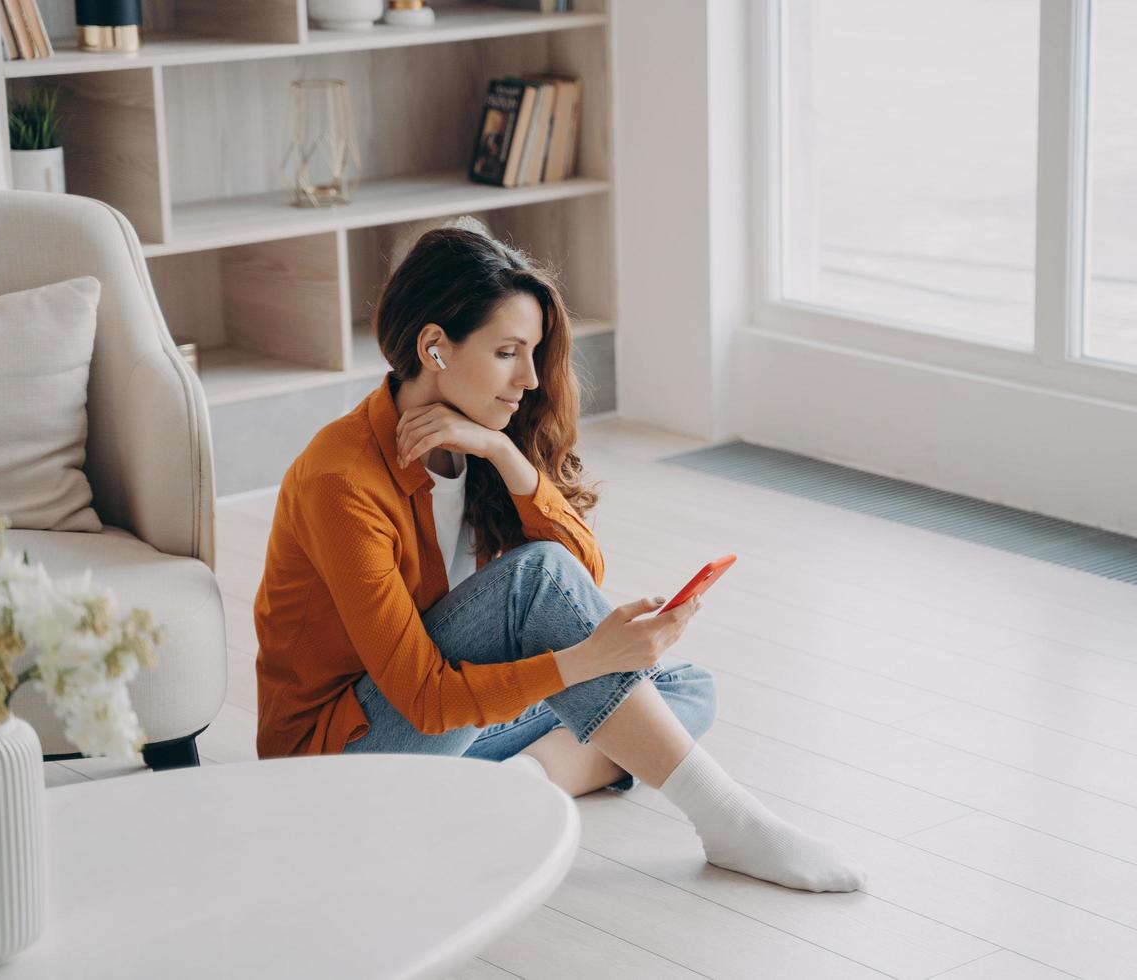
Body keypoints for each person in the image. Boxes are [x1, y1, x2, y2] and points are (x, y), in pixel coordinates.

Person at [252, 226, 866, 893]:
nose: (531, 378)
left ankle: (515, 786)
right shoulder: (342, 480)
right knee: (542, 592)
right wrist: (587, 662)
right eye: (508, 352)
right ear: (434, 347)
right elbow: (428, 699)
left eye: (535, 352)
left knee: (684, 689)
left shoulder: (481, 440)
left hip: (450, 728)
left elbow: (584, 577)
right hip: (340, 761)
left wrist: (507, 458)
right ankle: (729, 821)